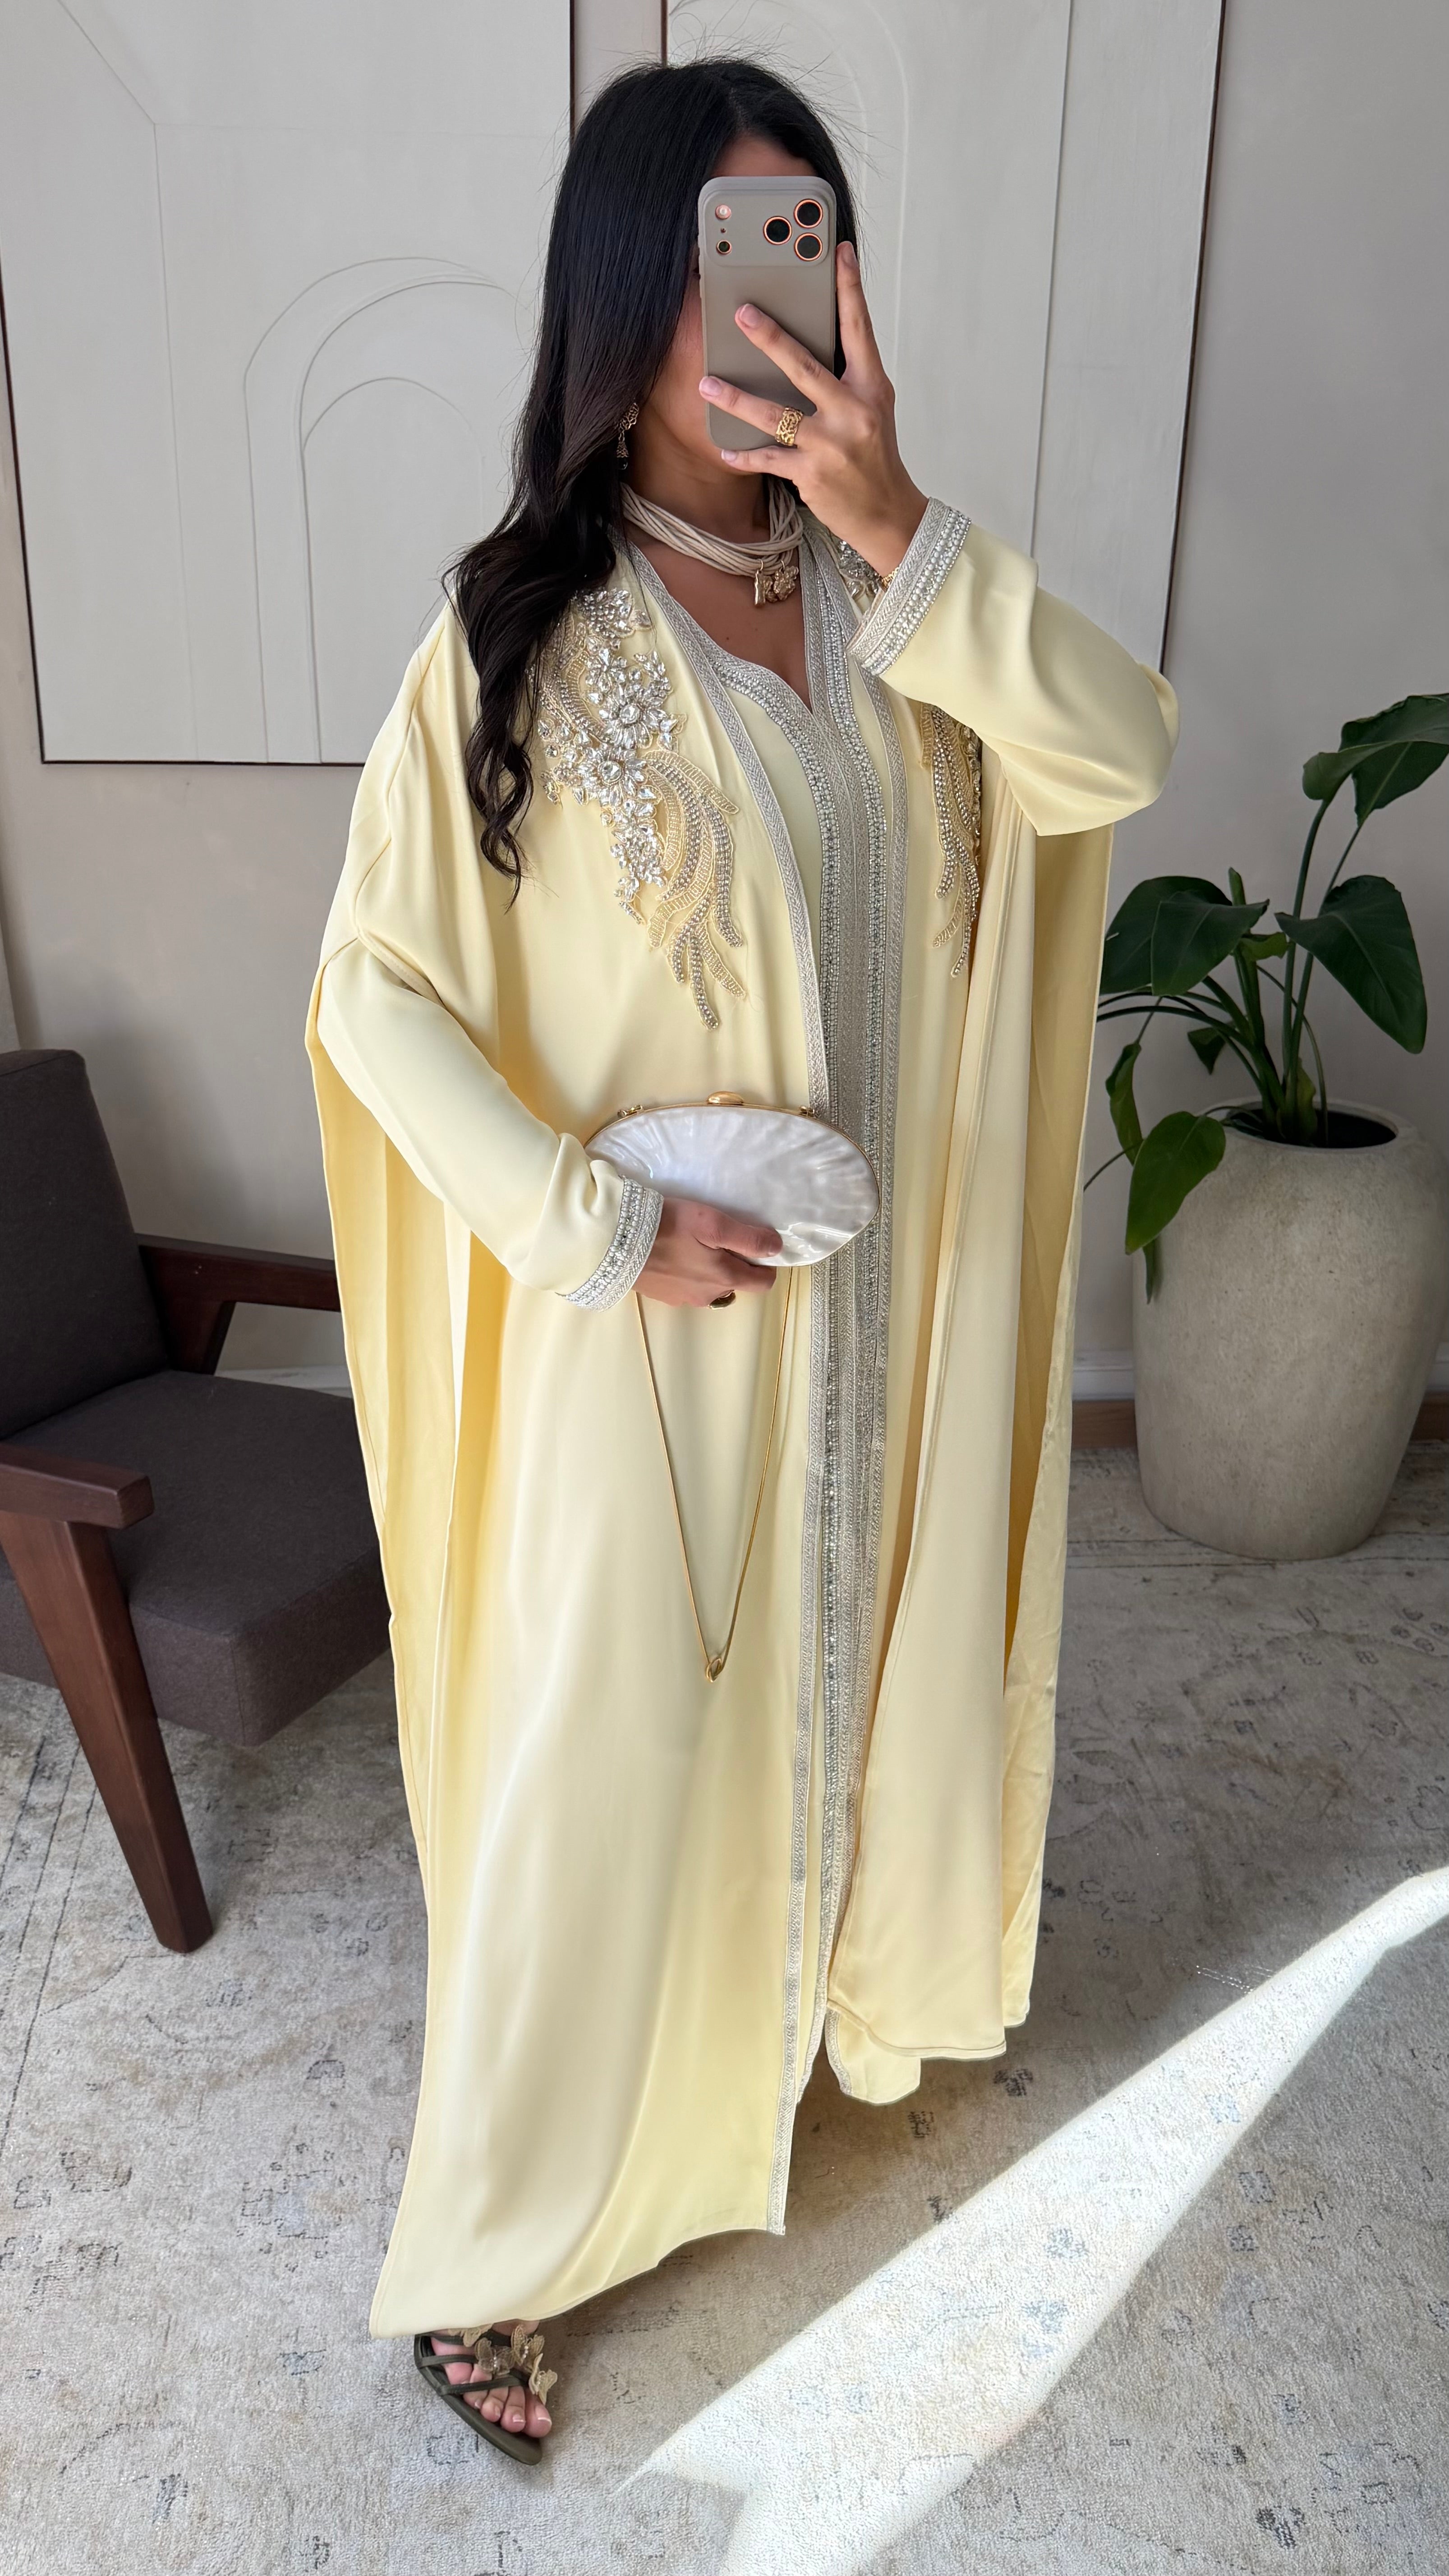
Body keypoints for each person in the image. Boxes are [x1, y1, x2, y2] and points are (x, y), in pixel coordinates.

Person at [306, 56, 1177, 2462]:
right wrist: (584, 1218)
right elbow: (374, 991)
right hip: (657, 1349)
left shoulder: (905, 609)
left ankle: (804, 2025)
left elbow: (1119, 751)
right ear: (626, 295)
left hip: (887, 1329)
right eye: (721, 264)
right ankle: (498, 2243)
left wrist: (903, 527)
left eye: (808, 254)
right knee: (604, 1786)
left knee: (849, 1699)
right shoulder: (520, 635)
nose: (768, 317)